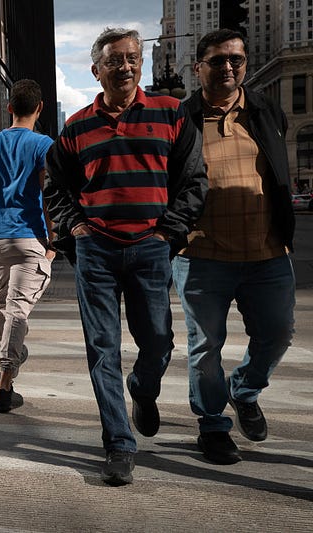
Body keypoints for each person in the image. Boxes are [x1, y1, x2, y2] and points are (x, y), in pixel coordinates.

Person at [44, 27, 208, 486]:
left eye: (132, 57)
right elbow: (54, 185)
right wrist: (74, 228)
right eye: (114, 60)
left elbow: (195, 181)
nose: (126, 66)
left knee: (157, 341)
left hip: (150, 249)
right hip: (95, 248)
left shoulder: (171, 113)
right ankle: (118, 443)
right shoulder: (76, 126)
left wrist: (166, 235)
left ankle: (142, 387)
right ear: (96, 70)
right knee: (102, 348)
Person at [173, 29, 296, 465]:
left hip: (268, 253)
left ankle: (245, 390)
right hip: (201, 255)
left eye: (237, 60)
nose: (229, 67)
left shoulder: (266, 111)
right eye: (218, 60)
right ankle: (212, 425)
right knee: (205, 347)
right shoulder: (180, 119)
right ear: (198, 67)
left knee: (279, 333)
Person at [0, 79, 55, 415]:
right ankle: (4, 380)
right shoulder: (43, 144)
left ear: (9, 107)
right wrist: (52, 241)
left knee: (5, 304)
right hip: (30, 237)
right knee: (16, 308)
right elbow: (48, 194)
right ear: (40, 108)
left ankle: (11, 366)